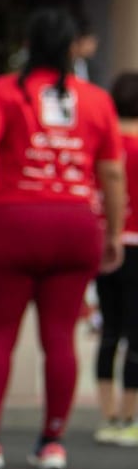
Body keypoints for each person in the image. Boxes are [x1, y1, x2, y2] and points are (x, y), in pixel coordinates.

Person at [0, 8, 125, 469]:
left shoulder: (5, 90)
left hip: (13, 221)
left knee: (0, 335)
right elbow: (110, 169)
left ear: (29, 46)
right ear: (71, 48)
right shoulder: (95, 99)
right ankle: (52, 441)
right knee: (61, 337)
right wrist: (112, 228)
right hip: (76, 224)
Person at [94, 71, 138, 446]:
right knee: (137, 335)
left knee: (109, 330)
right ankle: (129, 416)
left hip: (105, 242)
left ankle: (107, 415)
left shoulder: (105, 142)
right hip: (137, 244)